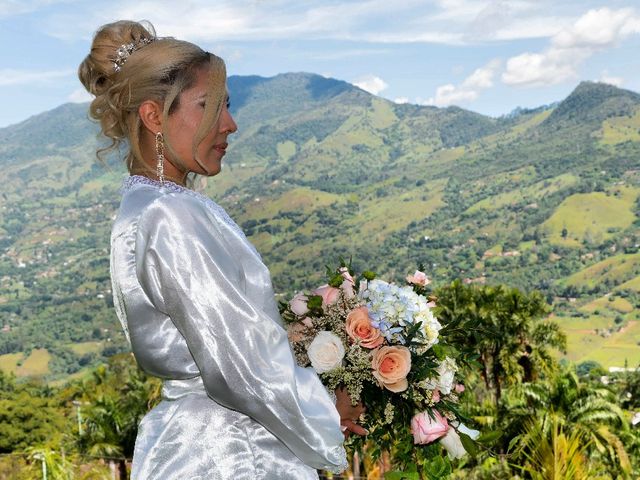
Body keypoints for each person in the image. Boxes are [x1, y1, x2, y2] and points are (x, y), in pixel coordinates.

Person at [78, 20, 365, 479]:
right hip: (231, 451)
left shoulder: (147, 205)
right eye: (208, 106)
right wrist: (330, 405)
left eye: (226, 106)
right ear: (154, 116)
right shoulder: (172, 217)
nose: (228, 124)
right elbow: (242, 369)